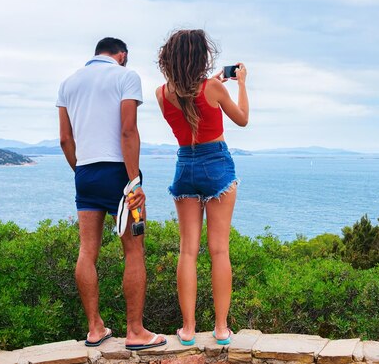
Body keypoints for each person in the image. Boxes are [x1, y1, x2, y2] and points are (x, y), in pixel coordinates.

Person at [57, 37, 167, 350]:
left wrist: (81, 171)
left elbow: (65, 140)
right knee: (133, 251)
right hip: (120, 174)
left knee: (87, 250)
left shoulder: (68, 83)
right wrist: (134, 182)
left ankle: (95, 329)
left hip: (86, 173)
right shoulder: (125, 76)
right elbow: (128, 130)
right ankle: (135, 332)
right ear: (122, 55)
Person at [155, 29, 249, 346]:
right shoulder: (214, 88)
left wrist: (216, 82)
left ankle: (188, 329)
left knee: (187, 251)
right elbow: (242, 119)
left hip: (186, 165)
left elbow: (188, 96)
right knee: (219, 249)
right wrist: (242, 84)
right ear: (201, 57)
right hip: (217, 164)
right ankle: (221, 329)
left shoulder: (162, 93)